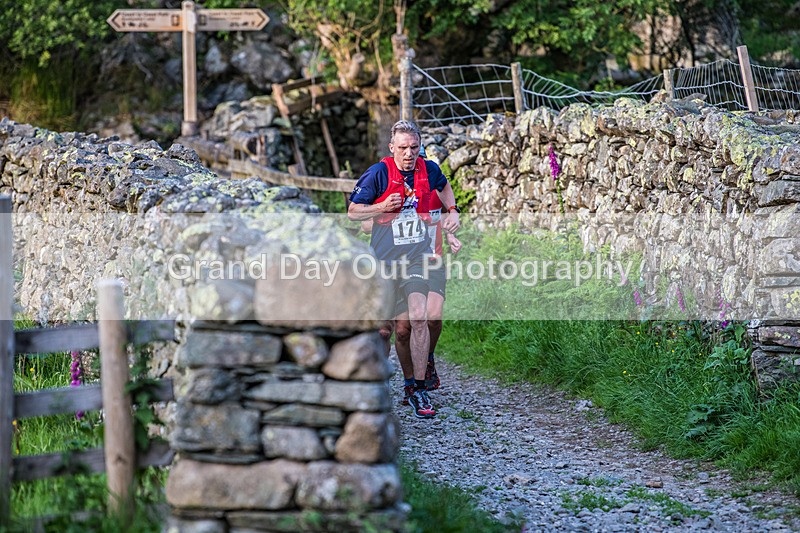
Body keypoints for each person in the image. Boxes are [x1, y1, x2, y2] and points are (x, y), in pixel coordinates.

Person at [348, 120, 460, 419]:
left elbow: (444, 187)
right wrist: (381, 206)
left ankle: (418, 388)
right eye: (403, 148)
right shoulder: (379, 173)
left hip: (417, 259)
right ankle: (381, 386)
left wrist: (452, 212)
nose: (409, 154)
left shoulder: (429, 169)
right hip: (384, 262)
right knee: (387, 329)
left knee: (419, 317)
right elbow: (353, 212)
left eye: (414, 148)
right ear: (391, 148)